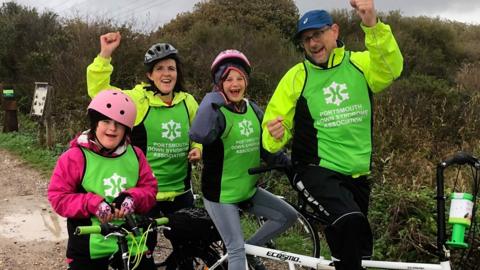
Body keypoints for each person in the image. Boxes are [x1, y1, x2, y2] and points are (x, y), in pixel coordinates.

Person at [262, 0, 403, 269]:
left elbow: (391, 68)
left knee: (355, 252)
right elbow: (272, 134)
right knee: (349, 221)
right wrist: (275, 133)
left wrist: (372, 24)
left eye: (317, 34)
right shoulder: (297, 76)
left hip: (357, 175)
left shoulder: (360, 64)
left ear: (335, 31)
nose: (312, 43)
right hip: (315, 171)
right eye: (306, 39)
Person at [86, 32, 201, 256]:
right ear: (150, 74)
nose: (166, 74)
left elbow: (197, 132)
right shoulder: (138, 100)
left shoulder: (188, 102)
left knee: (187, 250)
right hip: (146, 194)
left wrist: (198, 147)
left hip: (181, 191)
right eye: (159, 69)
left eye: (171, 68)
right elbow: (100, 94)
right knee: (142, 252)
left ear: (178, 73)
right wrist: (105, 56)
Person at [189, 49, 298, 270]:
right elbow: (199, 134)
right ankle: (240, 251)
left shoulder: (252, 109)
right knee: (235, 251)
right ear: (219, 84)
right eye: (228, 79)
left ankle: (248, 248)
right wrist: (211, 100)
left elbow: (265, 146)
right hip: (221, 195)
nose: (235, 83)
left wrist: (288, 165)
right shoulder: (216, 112)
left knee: (287, 216)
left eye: (240, 78)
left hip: (247, 190)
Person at [48, 89, 158, 270]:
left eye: (119, 124)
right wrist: (93, 204)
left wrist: (133, 198)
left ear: (126, 129)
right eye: (105, 121)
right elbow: (58, 197)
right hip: (90, 244)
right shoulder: (75, 157)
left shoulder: (136, 155)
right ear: (94, 123)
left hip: (133, 242)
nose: (112, 128)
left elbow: (150, 190)